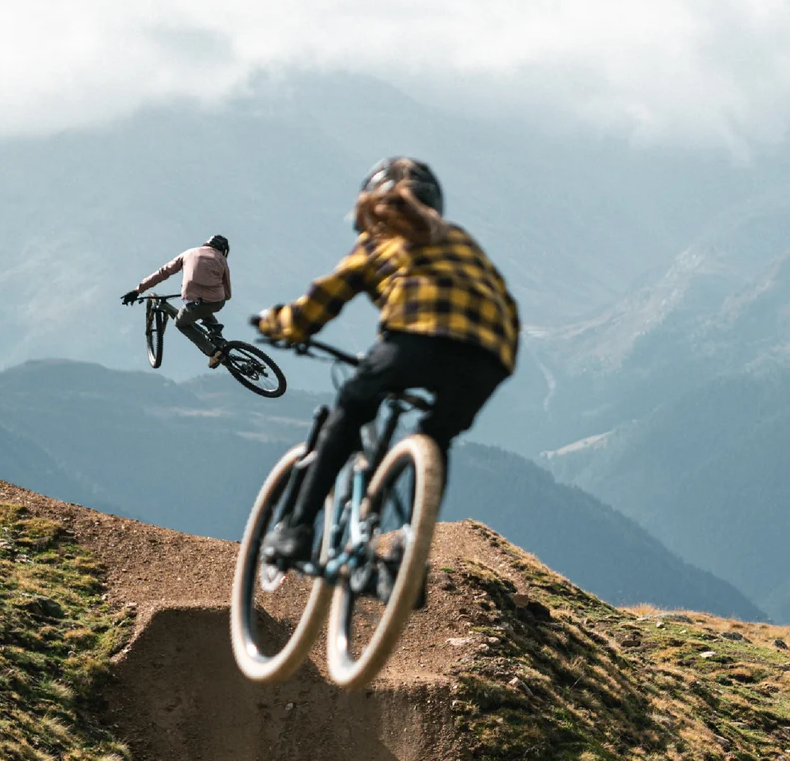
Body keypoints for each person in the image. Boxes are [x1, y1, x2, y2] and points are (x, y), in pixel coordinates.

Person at [254, 158, 518, 565]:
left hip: (415, 337)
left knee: (351, 408)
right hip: (490, 355)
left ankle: (296, 529)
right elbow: (505, 302)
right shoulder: (460, 239)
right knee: (435, 436)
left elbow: (323, 299)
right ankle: (410, 552)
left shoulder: (380, 239)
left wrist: (280, 325)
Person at [122, 234, 233, 367]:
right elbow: (228, 294)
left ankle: (213, 352)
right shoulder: (222, 259)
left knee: (181, 323)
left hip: (194, 302)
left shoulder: (189, 253)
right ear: (224, 250)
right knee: (205, 310)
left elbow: (163, 272)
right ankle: (220, 342)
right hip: (216, 302)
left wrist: (137, 290)